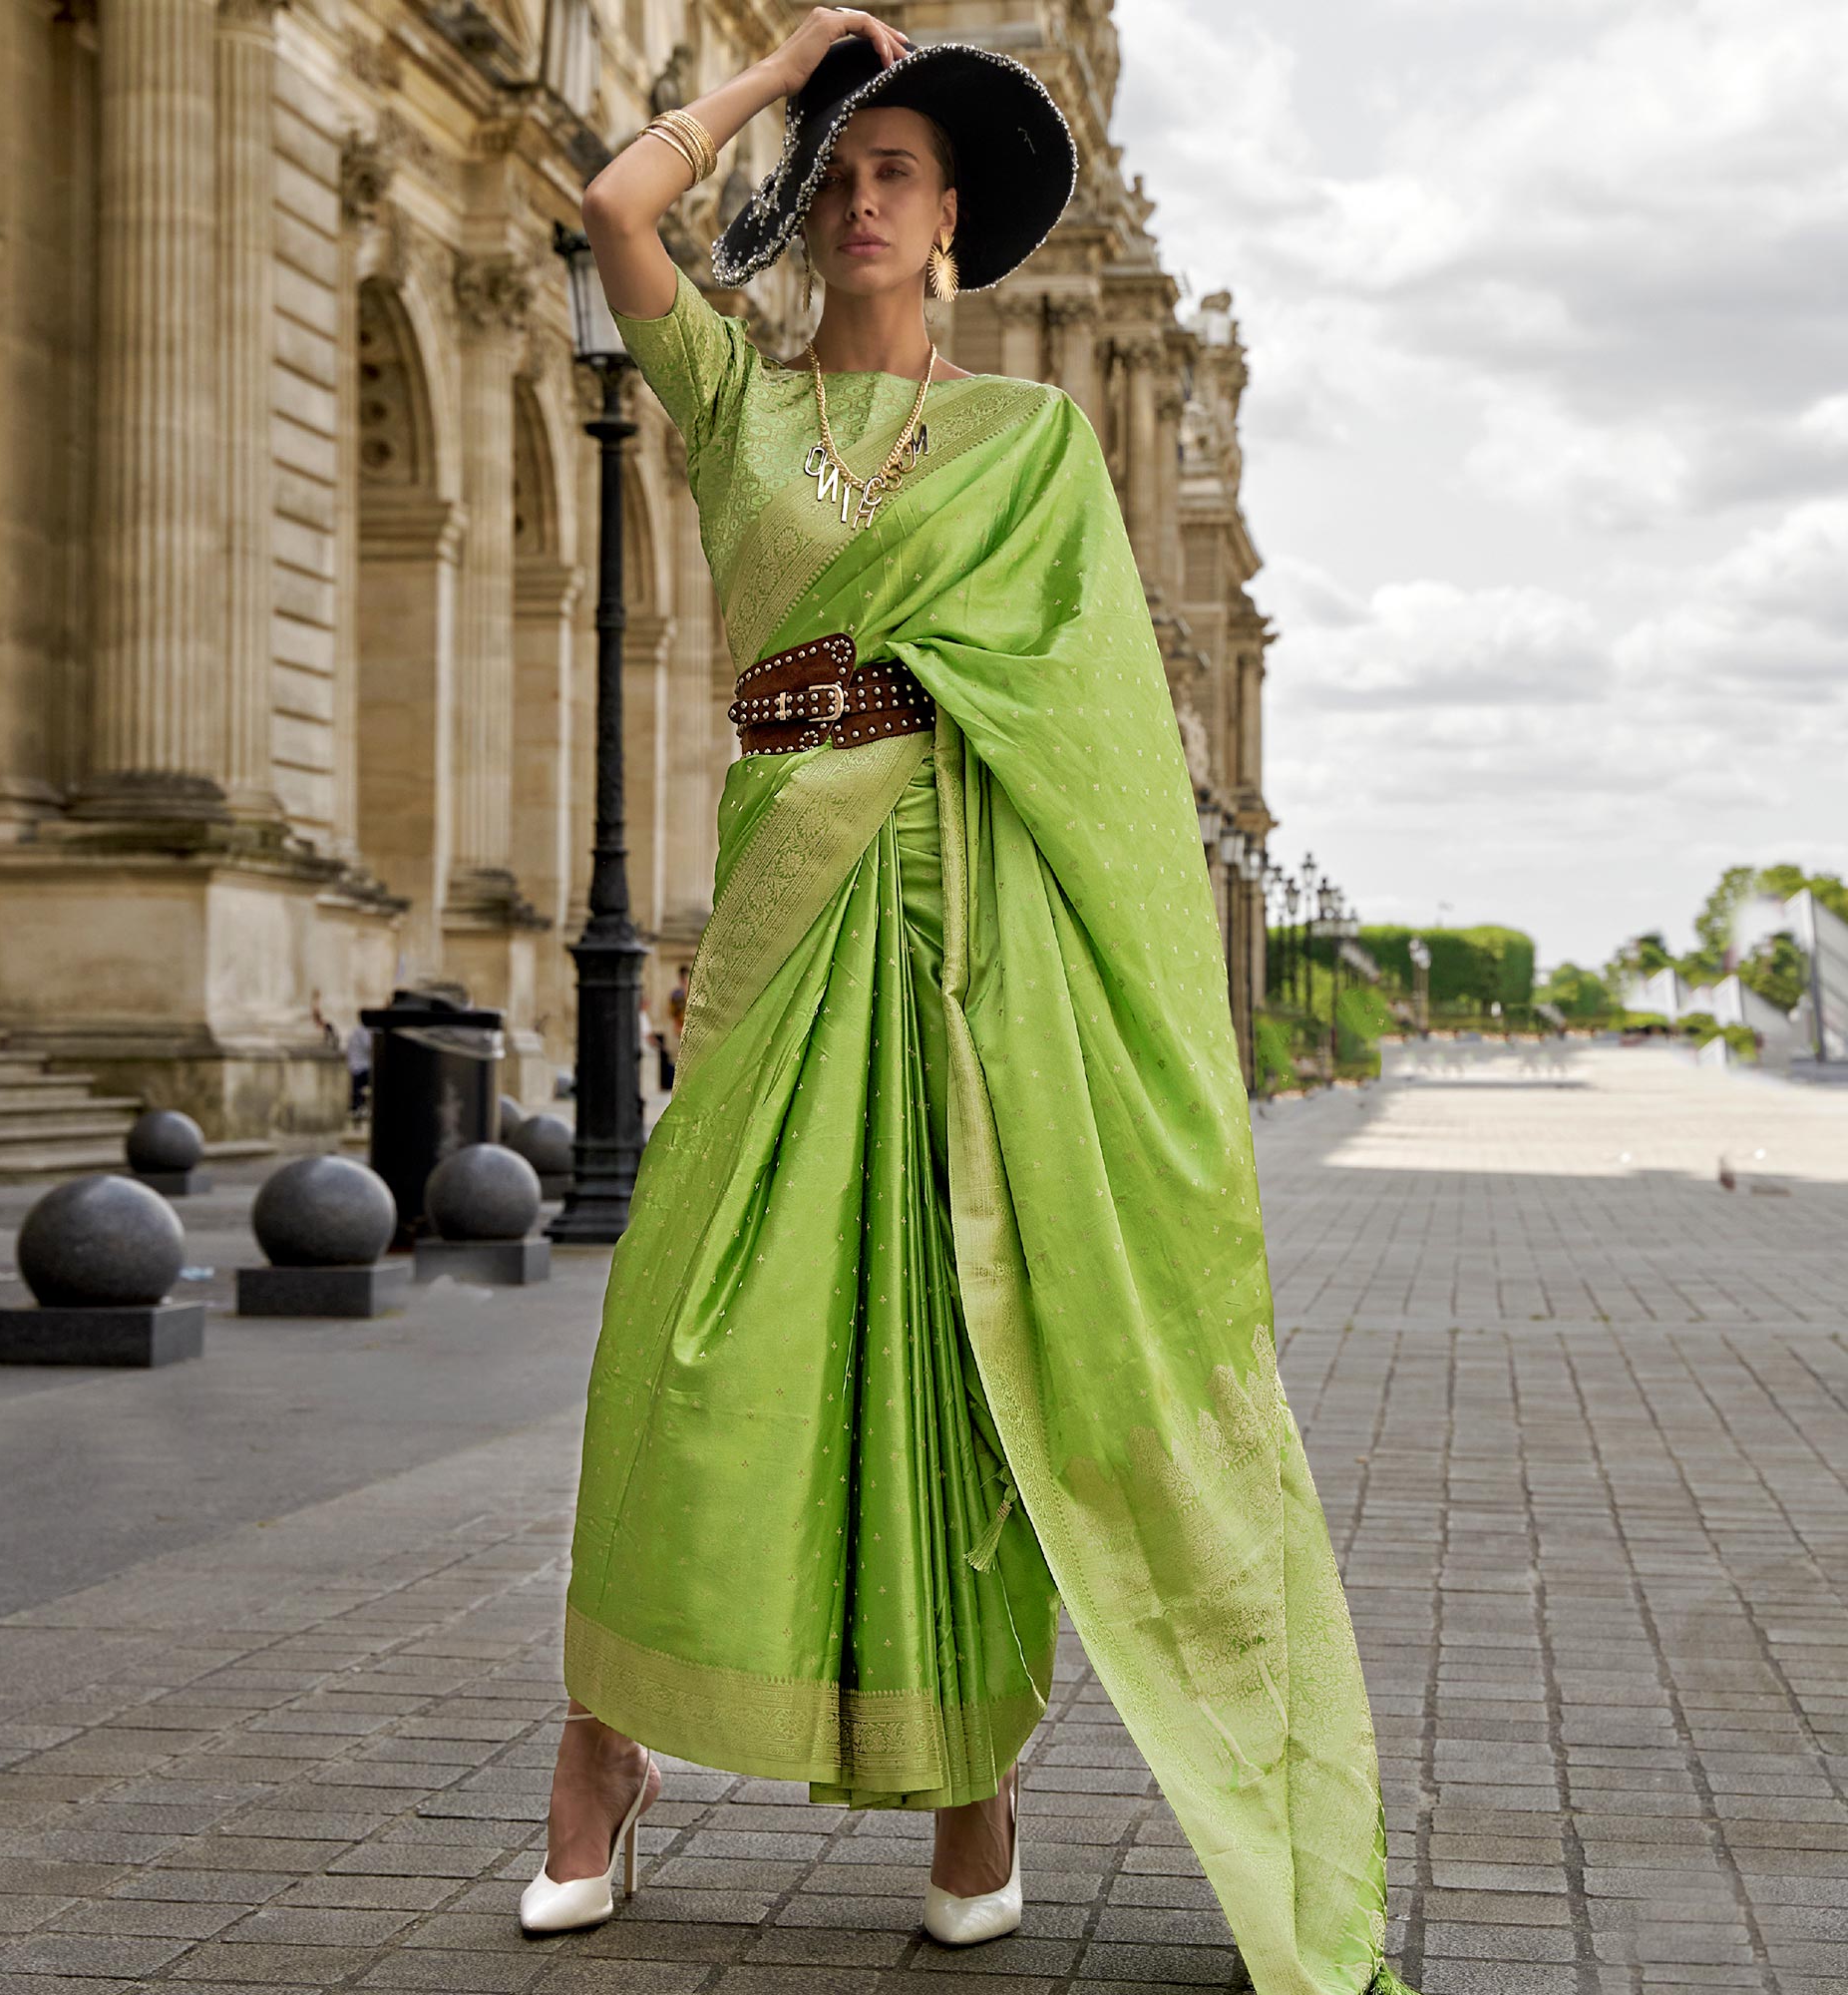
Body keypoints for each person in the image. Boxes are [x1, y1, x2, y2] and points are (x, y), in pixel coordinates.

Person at [529, 14, 1416, 1994]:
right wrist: (775, 72)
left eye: (896, 175)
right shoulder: (730, 402)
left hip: (966, 922)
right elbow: (609, 201)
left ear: (952, 230)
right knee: (684, 1339)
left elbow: (1097, 735)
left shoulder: (1026, 449)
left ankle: (973, 1797)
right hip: (780, 906)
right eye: (842, 172)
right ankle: (601, 1759)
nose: (857, 200)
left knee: (958, 1353)